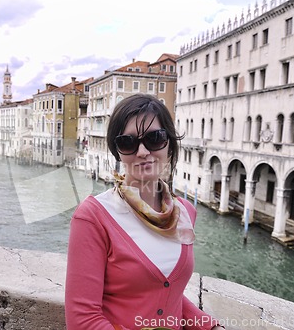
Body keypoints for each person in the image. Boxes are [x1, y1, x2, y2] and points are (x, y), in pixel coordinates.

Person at [65, 94, 224, 330]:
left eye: (154, 138)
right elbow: (83, 320)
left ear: (169, 143)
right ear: (118, 151)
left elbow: (171, 293)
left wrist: (209, 326)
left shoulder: (186, 213)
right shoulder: (92, 217)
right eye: (128, 142)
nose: (142, 151)